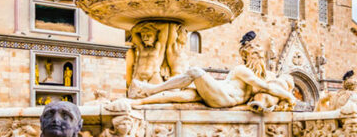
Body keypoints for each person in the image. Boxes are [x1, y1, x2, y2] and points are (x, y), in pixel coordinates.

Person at [115, 32, 295, 110]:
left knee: (194, 71)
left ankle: (151, 89)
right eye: (253, 52)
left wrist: (289, 97)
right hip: (219, 92)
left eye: (257, 52)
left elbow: (267, 87)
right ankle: (138, 103)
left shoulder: (246, 72)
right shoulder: (246, 72)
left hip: (224, 98)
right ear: (246, 56)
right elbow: (268, 87)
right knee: (184, 95)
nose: (256, 55)